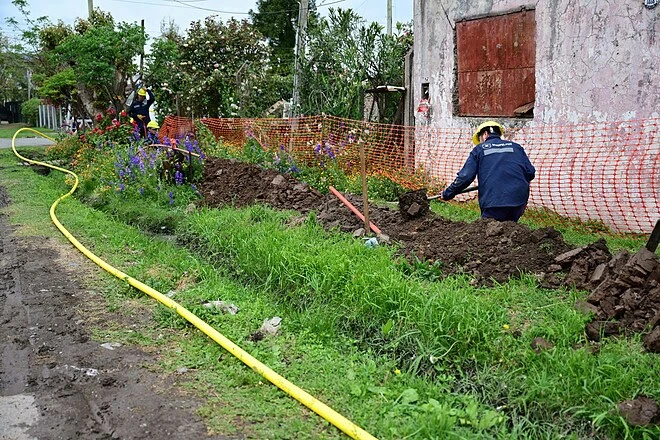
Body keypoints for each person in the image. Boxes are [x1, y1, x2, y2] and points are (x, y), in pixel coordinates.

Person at [441, 120, 535, 222]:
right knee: (510, 229)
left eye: (480, 139)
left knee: (489, 232)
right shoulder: (516, 147)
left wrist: (448, 192)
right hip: (518, 201)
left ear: (485, 134)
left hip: (494, 201)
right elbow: (530, 172)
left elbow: (465, 176)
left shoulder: (479, 149)